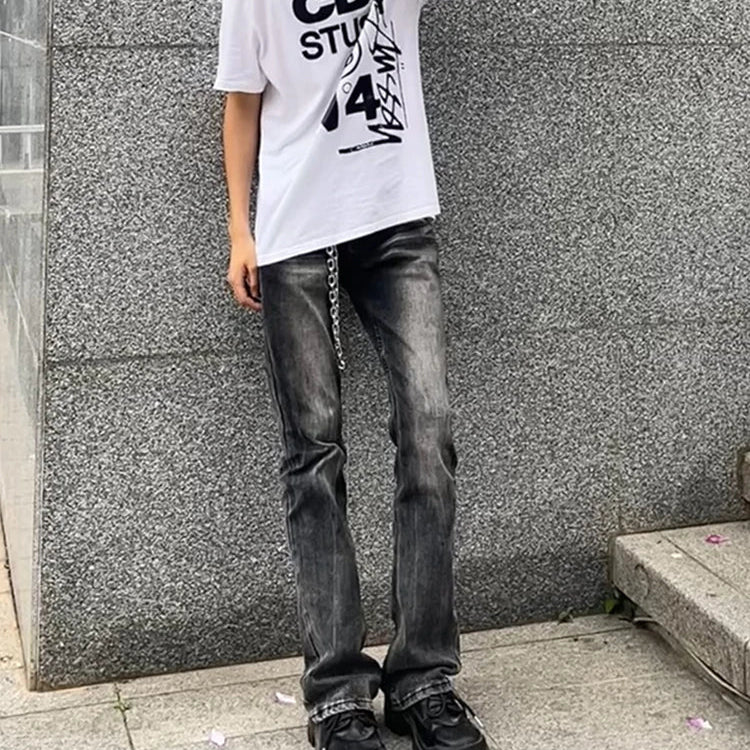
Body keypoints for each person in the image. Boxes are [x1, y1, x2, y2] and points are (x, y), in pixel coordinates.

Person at [213, 1, 488, 748]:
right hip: (293, 235)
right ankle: (336, 693)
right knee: (313, 452)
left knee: (428, 430)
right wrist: (240, 229)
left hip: (396, 223)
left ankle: (422, 679)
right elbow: (242, 105)